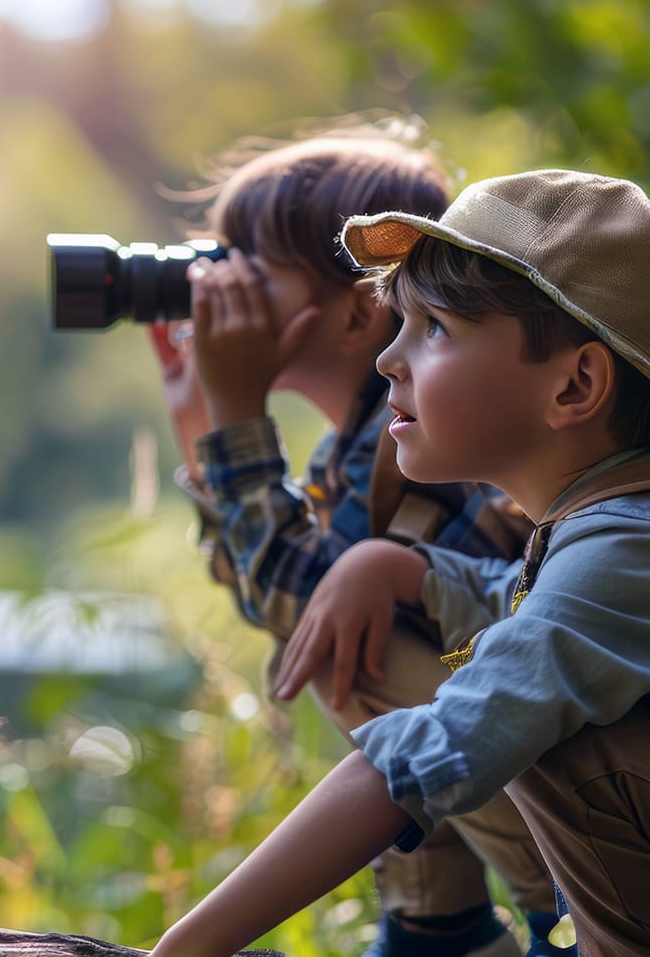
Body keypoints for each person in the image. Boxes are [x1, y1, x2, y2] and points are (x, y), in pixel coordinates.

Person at [150, 169, 650, 957]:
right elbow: (524, 604)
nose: (391, 358)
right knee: (524, 671)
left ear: (576, 385)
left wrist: (181, 951)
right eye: (401, 321)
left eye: (435, 329)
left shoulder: (636, 546)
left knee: (544, 719)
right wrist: (402, 569)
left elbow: (428, 751)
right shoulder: (634, 527)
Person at [151, 119, 561, 955]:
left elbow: (301, 603)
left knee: (351, 644)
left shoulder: (441, 446)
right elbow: (274, 587)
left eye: (244, 267)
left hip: (578, 833)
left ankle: (500, 923)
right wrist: (202, 422)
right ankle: (436, 922)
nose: (213, 287)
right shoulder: (366, 444)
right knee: (344, 621)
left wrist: (235, 426)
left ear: (350, 316)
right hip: (521, 768)